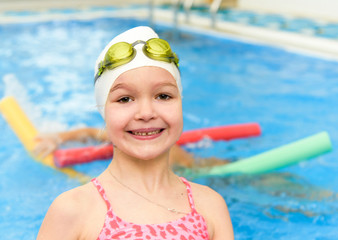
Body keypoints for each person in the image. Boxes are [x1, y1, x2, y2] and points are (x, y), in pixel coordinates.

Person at [37, 26, 234, 239]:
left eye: (164, 96)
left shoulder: (211, 207)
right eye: (124, 99)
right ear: (105, 112)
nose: (146, 113)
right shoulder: (73, 211)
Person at [34, 127, 228, 168]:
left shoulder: (155, 149)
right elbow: (91, 132)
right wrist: (57, 137)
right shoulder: (130, 134)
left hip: (202, 172)